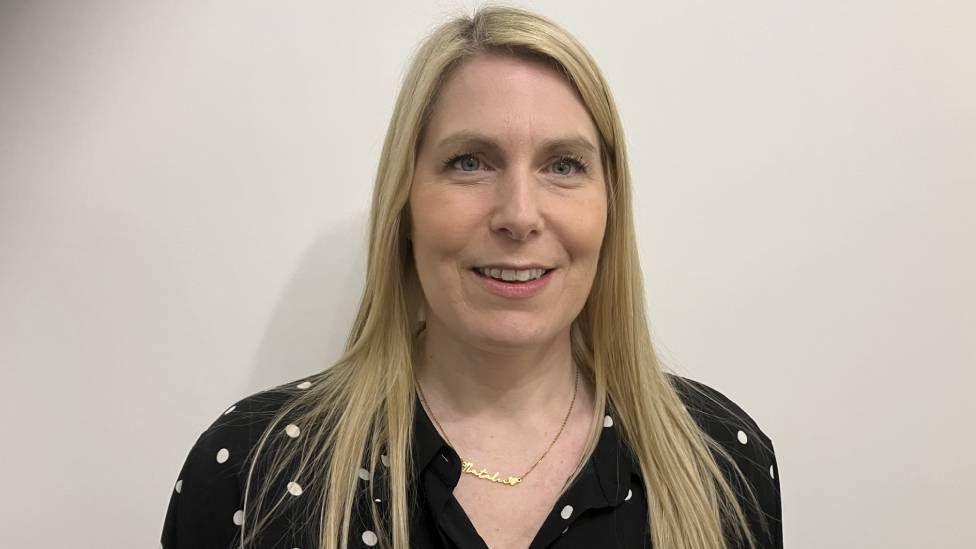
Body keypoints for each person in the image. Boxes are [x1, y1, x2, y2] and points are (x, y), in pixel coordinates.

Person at [161, 5, 782, 549]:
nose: (518, 215)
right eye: (469, 162)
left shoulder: (720, 461)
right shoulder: (253, 470)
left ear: (609, 206)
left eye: (564, 165)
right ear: (404, 206)